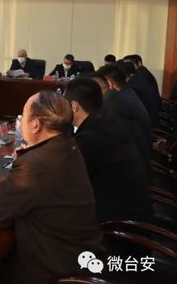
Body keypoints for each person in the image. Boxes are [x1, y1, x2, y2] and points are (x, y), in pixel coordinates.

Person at [0, 90, 100, 284]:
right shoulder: (66, 145)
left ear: (36, 124)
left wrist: (24, 162)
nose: (20, 122)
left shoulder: (36, 164)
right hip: (78, 256)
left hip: (52, 272)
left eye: (23, 114)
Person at [64, 79, 152, 223]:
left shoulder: (91, 136)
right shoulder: (105, 120)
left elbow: (67, 178)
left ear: (74, 106)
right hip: (131, 208)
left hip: (117, 223)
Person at [97, 64, 152, 176]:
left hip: (132, 170)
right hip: (141, 159)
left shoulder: (113, 101)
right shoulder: (127, 92)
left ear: (109, 83)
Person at [123, 55, 161, 126]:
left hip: (149, 120)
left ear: (139, 63)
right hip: (153, 115)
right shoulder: (141, 73)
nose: (127, 66)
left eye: (129, 64)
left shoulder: (139, 77)